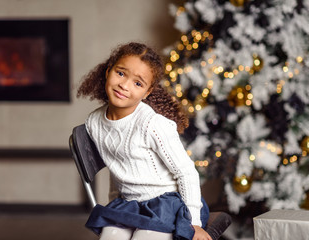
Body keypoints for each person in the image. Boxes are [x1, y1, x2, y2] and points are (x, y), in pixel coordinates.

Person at [77, 42, 212, 240]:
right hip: (130, 205)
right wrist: (115, 205)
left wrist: (193, 223)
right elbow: (116, 167)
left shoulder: (152, 124)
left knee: (146, 236)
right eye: (121, 73)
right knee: (111, 236)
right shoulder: (94, 123)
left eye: (138, 83)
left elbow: (186, 172)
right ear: (108, 71)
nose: (124, 85)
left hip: (170, 204)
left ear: (147, 92)